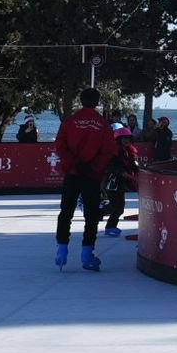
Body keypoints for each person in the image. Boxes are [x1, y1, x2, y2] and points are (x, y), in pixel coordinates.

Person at [52, 87, 113, 271]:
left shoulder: (70, 121)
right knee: (91, 214)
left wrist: (75, 163)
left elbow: (60, 145)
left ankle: (61, 250)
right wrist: (92, 165)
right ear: (97, 102)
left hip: (72, 173)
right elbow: (108, 150)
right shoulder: (102, 124)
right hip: (91, 176)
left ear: (81, 100)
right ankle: (87, 254)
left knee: (66, 211)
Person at [102, 123, 140, 237]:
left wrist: (139, 170)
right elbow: (110, 166)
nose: (126, 141)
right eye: (124, 139)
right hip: (112, 183)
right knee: (117, 208)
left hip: (121, 184)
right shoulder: (114, 152)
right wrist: (121, 172)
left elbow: (133, 166)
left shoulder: (130, 152)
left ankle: (97, 215)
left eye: (128, 138)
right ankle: (110, 227)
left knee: (118, 207)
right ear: (119, 139)